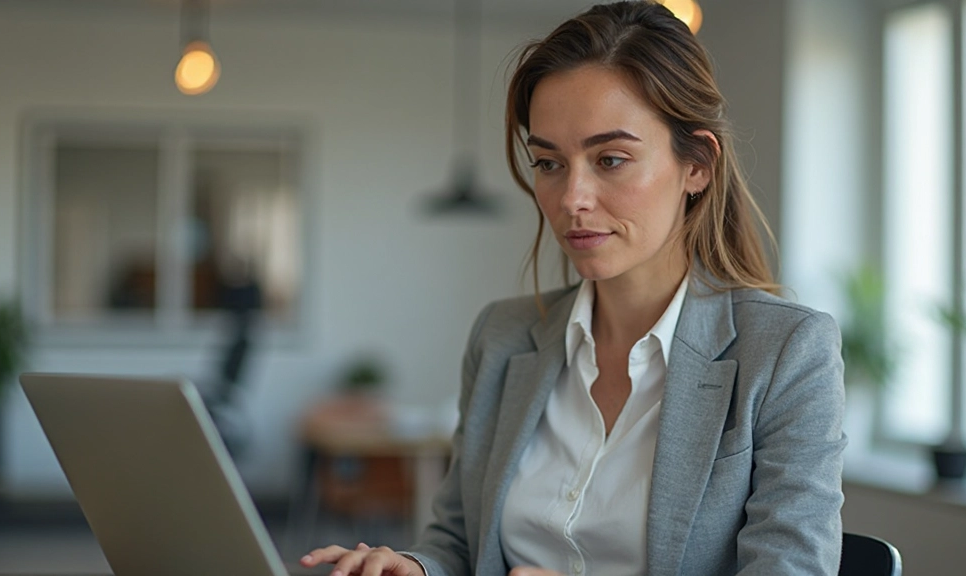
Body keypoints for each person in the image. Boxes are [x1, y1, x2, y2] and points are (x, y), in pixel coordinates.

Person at [301, 2, 846, 575]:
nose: (571, 199)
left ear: (698, 165)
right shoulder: (503, 336)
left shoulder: (787, 351)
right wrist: (414, 568)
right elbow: (459, 544)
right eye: (549, 163)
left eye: (610, 159)